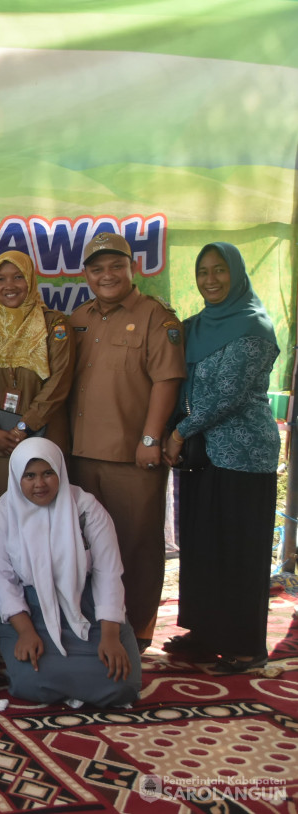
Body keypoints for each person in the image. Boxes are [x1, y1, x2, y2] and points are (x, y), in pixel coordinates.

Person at [161, 243, 280, 673]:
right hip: (203, 455)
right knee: (202, 544)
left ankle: (247, 647)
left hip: (243, 455)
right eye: (203, 271)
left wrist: (176, 433)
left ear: (236, 274)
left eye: (219, 270)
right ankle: (205, 633)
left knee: (238, 550)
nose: (210, 279)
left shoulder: (253, 328)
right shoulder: (197, 326)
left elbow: (224, 396)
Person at [68, 232, 185, 651]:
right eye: (97, 269)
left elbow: (167, 380)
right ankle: (96, 628)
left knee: (136, 545)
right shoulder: (78, 317)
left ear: (132, 268)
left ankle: (137, 632)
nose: (107, 275)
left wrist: (151, 437)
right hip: (81, 456)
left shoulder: (156, 317)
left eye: (116, 266)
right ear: (86, 275)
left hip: (133, 457)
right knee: (85, 548)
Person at [0, 439, 141, 706]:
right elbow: (2, 580)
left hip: (87, 606)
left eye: (48, 473)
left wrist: (110, 636)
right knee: (28, 683)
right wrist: (25, 632)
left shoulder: (86, 508)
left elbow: (108, 572)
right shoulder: (4, 514)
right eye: (29, 476)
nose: (40, 484)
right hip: (29, 612)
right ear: (16, 477)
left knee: (121, 684)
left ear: (60, 471)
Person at [0, 250, 73, 513]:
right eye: (1, 279)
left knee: (48, 515)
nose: (9, 286)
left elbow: (59, 382)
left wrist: (24, 427)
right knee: (2, 513)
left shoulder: (54, 323)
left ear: (30, 280)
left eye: (18, 276)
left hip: (45, 434)